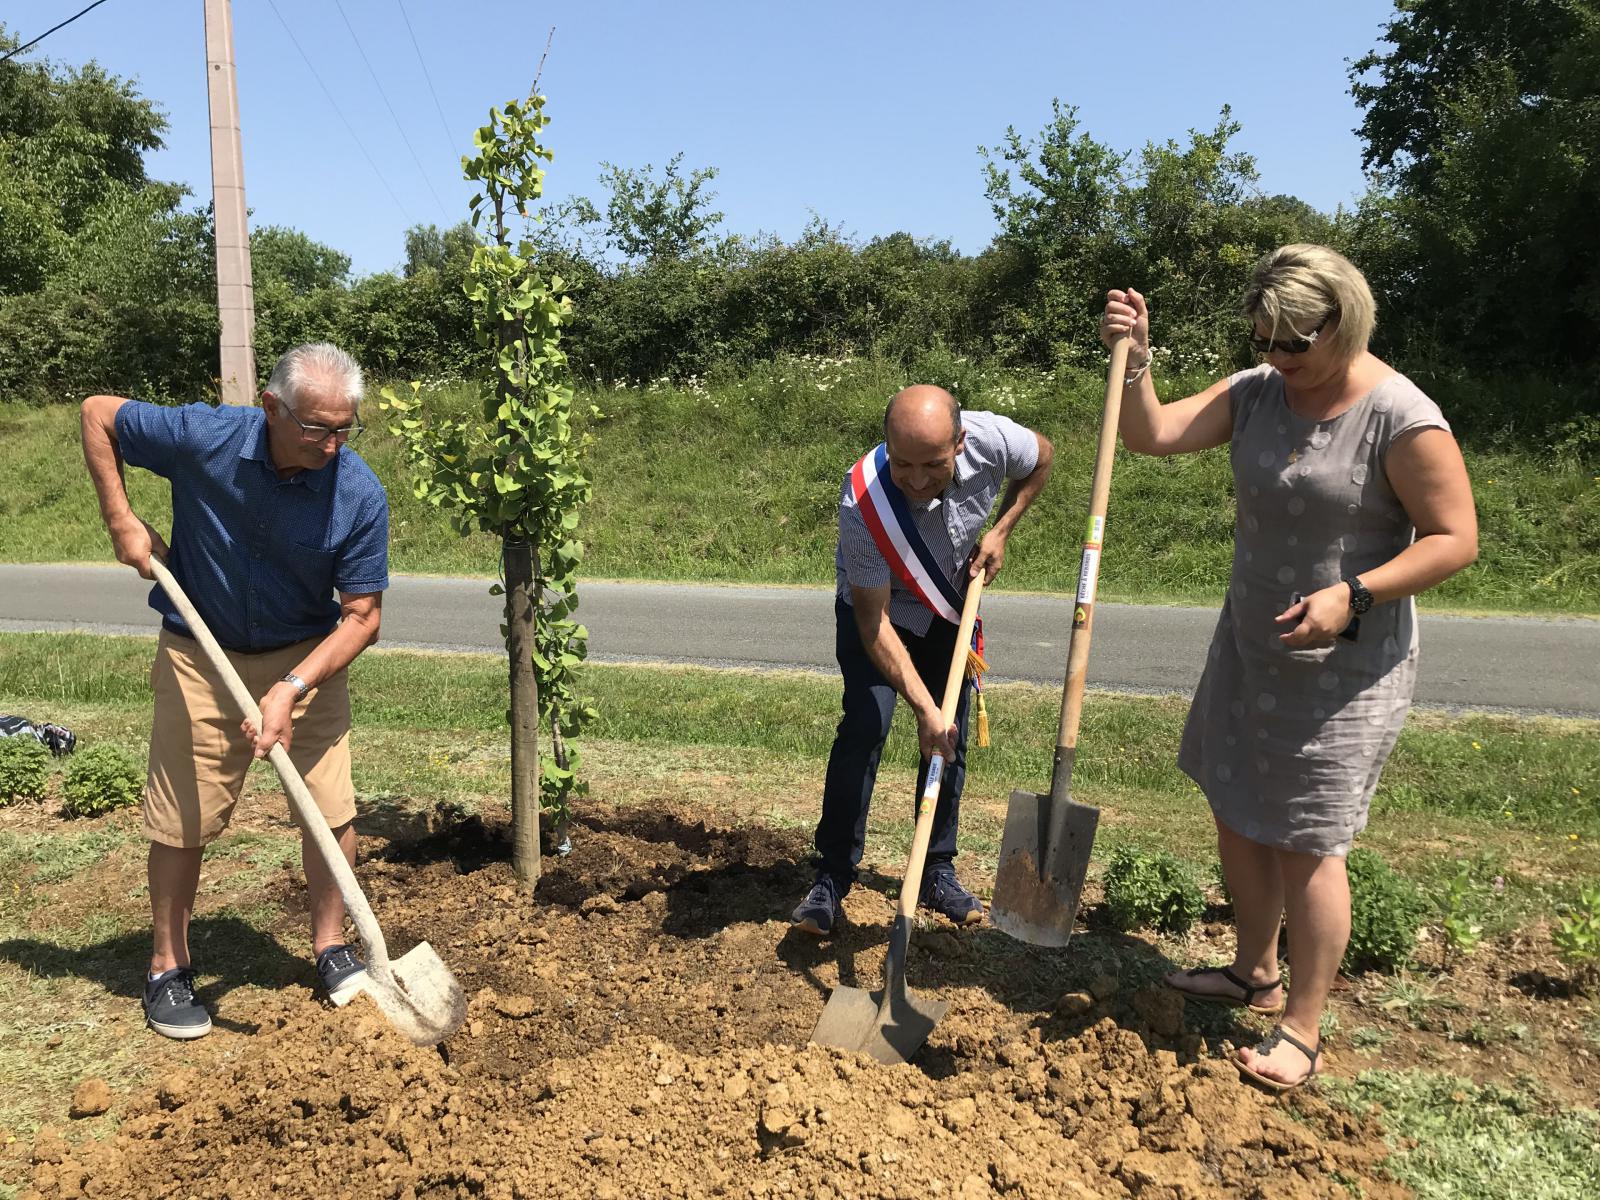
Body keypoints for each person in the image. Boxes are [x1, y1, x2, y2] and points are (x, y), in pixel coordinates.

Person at [1100, 245, 1478, 1090]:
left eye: (1292, 343)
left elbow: (1457, 539)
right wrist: (1136, 363)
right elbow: (1152, 436)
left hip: (1345, 667)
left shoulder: (1400, 417)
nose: (1275, 358)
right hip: (1252, 642)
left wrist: (1356, 594)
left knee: (1309, 839)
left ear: (1340, 323)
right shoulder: (1257, 393)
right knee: (1237, 808)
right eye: (1262, 338)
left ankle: (1301, 1025)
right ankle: (1251, 970)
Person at [80, 343, 390, 1040]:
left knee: (330, 807)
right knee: (182, 815)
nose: (334, 445)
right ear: (272, 409)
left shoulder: (358, 492)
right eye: (317, 429)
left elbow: (363, 617)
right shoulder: (204, 437)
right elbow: (98, 415)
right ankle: (168, 966)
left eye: (347, 428)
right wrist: (121, 519)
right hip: (202, 653)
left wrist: (291, 687)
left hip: (307, 660)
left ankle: (332, 947)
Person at [792, 385, 1053, 935]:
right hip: (880, 615)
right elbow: (873, 623)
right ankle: (832, 875)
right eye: (902, 463)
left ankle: (936, 868)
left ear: (959, 443)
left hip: (947, 610)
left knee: (948, 735)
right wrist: (920, 707)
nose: (914, 480)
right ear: (886, 444)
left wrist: (1001, 531)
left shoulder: (992, 441)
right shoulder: (863, 501)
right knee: (868, 722)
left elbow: (1042, 457)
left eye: (931, 464)